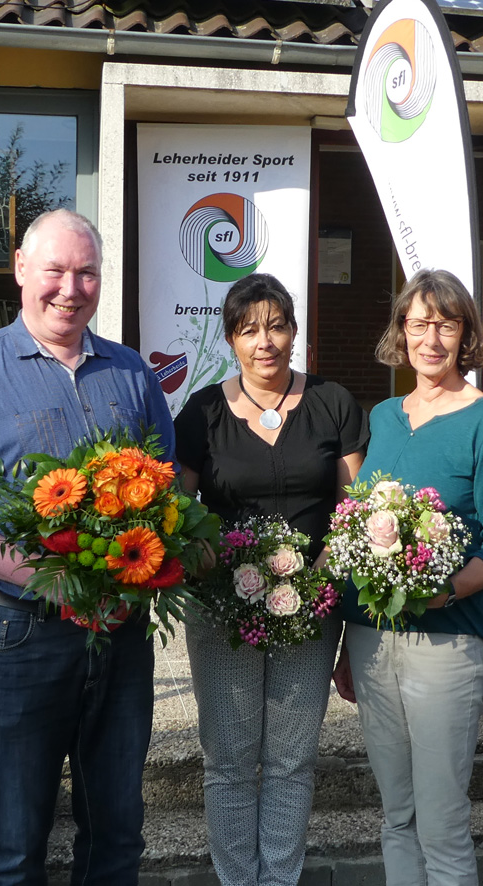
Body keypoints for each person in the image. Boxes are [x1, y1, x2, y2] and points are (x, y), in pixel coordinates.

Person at [0, 209, 173, 886]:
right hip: (19, 633)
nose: (70, 287)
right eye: (55, 269)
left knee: (117, 830)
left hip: (119, 633)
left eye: (86, 272)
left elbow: (166, 498)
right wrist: (44, 576)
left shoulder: (131, 374)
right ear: (22, 270)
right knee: (17, 838)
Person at [173, 272, 368, 886]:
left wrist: (320, 575)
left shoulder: (332, 402)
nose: (266, 342)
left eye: (277, 326)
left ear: (294, 331)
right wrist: (206, 560)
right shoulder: (202, 411)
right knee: (229, 759)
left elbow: (355, 508)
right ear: (230, 337)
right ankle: (237, 880)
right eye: (249, 329)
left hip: (311, 606)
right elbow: (178, 514)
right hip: (221, 611)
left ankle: (279, 879)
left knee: (291, 758)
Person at [333, 268, 483, 886]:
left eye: (446, 323)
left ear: (465, 333)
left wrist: (441, 589)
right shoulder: (383, 416)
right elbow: (357, 529)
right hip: (370, 637)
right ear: (401, 332)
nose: (431, 338)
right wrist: (344, 645)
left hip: (446, 641)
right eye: (419, 323)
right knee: (395, 815)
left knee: (441, 822)